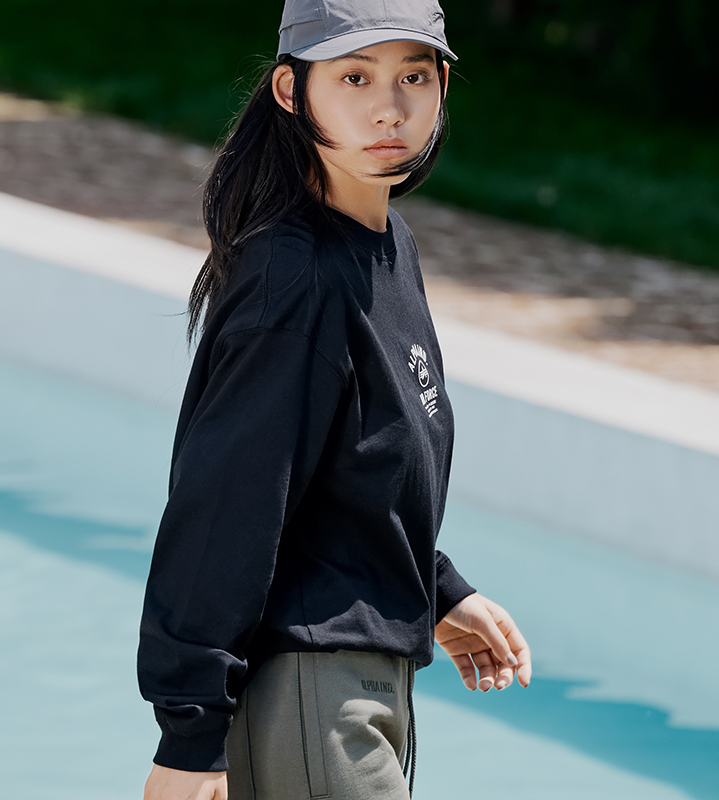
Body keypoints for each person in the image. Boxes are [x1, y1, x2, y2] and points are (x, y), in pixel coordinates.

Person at [138, 1, 532, 798]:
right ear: (291, 90)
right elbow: (228, 505)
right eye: (355, 78)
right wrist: (190, 738)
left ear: (442, 84)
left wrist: (434, 588)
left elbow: (354, 462)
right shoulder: (296, 277)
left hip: (351, 688)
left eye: (413, 77)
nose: (389, 108)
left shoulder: (386, 245)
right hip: (311, 697)